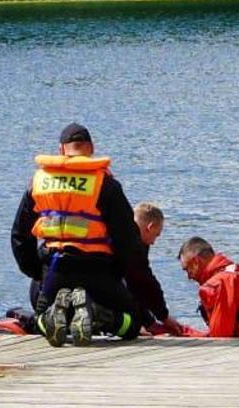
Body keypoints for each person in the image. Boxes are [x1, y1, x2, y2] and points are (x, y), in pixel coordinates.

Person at [11, 122, 144, 346]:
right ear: (91, 148)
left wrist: (37, 272)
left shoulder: (38, 183)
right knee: (132, 324)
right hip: (97, 269)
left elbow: (20, 236)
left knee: (39, 320)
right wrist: (116, 272)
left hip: (54, 268)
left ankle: (54, 316)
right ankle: (98, 314)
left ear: (61, 150)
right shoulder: (105, 184)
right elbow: (127, 237)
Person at [124, 202, 180, 335]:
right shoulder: (131, 243)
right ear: (150, 227)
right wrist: (164, 316)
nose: (154, 242)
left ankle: (142, 324)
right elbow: (146, 282)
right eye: (156, 235)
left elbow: (137, 284)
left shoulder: (130, 235)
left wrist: (149, 322)